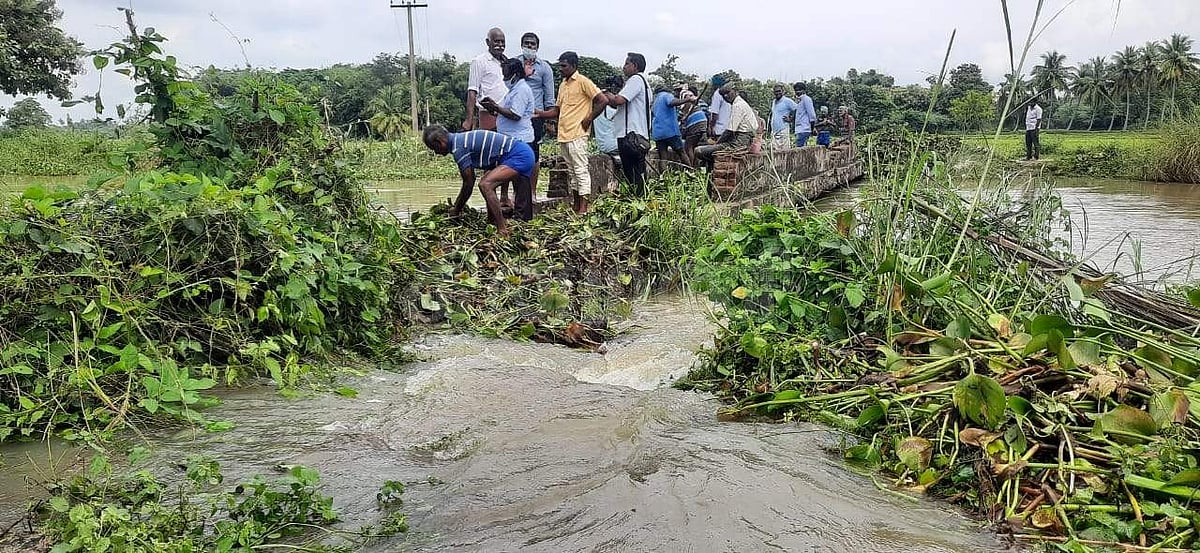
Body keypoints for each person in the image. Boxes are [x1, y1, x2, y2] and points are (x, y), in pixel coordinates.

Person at [423, 125, 534, 236]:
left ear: (440, 142)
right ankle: (492, 221)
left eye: (434, 149)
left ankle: (502, 229)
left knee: (486, 184)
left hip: (519, 155)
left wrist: (456, 209)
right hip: (520, 152)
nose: (436, 153)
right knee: (487, 179)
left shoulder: (459, 147)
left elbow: (468, 183)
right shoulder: (459, 140)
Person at [534, 51, 607, 214]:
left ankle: (584, 207)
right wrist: (540, 113)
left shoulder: (583, 82)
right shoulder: (563, 85)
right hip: (564, 134)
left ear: (573, 66)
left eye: (564, 66)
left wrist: (589, 118)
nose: (561, 69)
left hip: (578, 133)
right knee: (572, 171)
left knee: (580, 170)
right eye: (560, 65)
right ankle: (576, 204)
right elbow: (557, 110)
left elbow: (603, 100)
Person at [482, 58, 535, 219]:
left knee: (522, 181)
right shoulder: (513, 91)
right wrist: (494, 108)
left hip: (521, 140)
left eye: (506, 75)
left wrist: (497, 108)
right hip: (510, 140)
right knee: (516, 179)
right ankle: (518, 214)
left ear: (515, 74)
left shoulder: (522, 90)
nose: (504, 79)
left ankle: (523, 217)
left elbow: (515, 114)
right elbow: (506, 111)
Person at [604, 52, 651, 196]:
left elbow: (619, 100)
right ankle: (639, 202)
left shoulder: (636, 79)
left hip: (630, 135)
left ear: (635, 66)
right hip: (639, 134)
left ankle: (638, 202)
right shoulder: (644, 83)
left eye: (626, 64)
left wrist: (607, 95)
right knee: (637, 174)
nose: (623, 67)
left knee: (632, 174)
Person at [518, 32, 554, 198]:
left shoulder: (545, 67)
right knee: (515, 153)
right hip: (516, 115)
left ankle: (531, 192)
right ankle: (518, 193)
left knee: (533, 154)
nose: (530, 46)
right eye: (527, 43)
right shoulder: (514, 64)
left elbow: (549, 96)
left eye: (532, 44)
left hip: (535, 116)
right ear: (522, 45)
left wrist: (548, 119)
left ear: (537, 47)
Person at [695, 83, 759, 172]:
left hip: (738, 143)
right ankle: (710, 172)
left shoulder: (738, 105)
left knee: (699, 151)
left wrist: (717, 143)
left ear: (735, 91)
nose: (725, 96)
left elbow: (730, 131)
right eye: (723, 95)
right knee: (708, 154)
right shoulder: (739, 104)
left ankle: (709, 172)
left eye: (728, 93)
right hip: (741, 140)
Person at [464, 28, 508, 131]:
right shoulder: (479, 61)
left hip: (507, 115)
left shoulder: (507, 62)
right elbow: (472, 91)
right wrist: (468, 120)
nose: (500, 45)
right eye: (497, 41)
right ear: (488, 42)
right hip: (488, 115)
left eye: (503, 42)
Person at [651, 83, 692, 169]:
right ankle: (691, 172)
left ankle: (663, 178)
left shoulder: (655, 101)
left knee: (663, 157)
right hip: (669, 131)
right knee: (681, 152)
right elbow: (672, 102)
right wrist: (687, 99)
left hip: (658, 132)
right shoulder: (666, 95)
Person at [681, 85, 708, 167]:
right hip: (703, 123)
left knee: (688, 146)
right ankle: (698, 166)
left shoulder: (685, 102)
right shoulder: (699, 102)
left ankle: (691, 167)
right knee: (696, 146)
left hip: (695, 124)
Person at [769, 84, 797, 149]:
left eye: (779, 91)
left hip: (783, 129)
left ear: (783, 91)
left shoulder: (787, 101)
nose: (777, 93)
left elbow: (797, 109)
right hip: (774, 131)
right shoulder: (774, 101)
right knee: (774, 152)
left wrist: (791, 119)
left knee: (785, 151)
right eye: (776, 91)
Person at [792, 82, 817, 147]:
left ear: (804, 90)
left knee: (800, 149)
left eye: (799, 90)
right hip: (799, 129)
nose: (797, 92)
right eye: (796, 90)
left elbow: (812, 116)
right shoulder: (799, 101)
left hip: (804, 129)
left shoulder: (806, 99)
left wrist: (812, 128)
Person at [707, 74, 732, 140]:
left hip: (719, 129)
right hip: (728, 128)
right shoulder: (728, 93)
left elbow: (715, 114)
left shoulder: (717, 94)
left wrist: (711, 127)